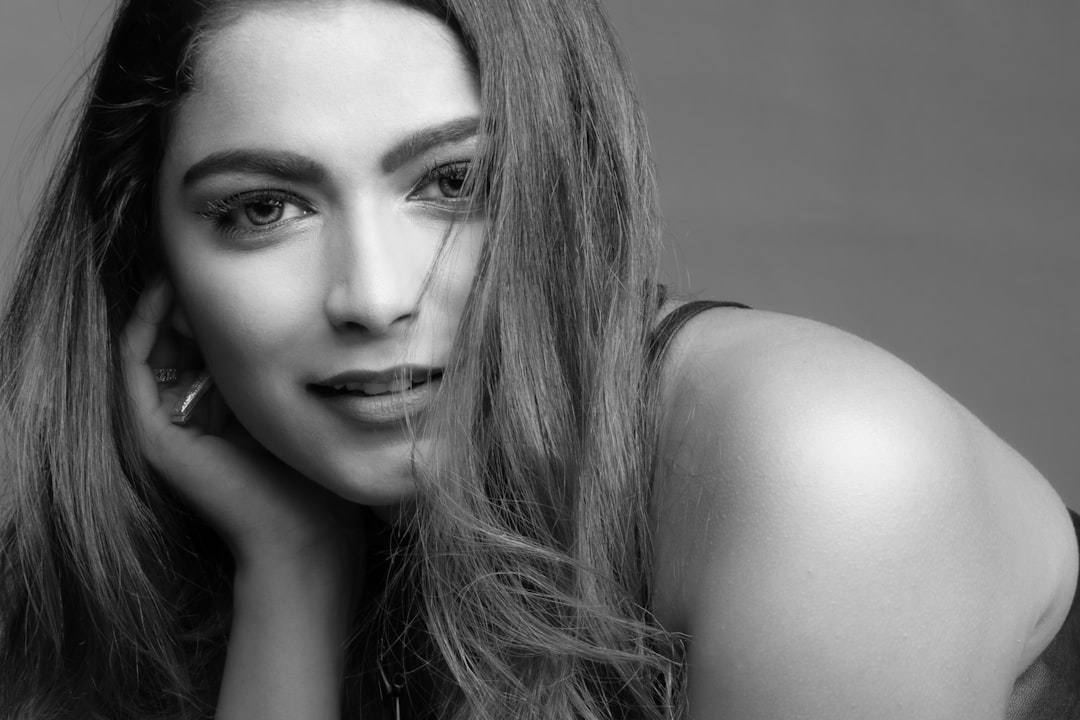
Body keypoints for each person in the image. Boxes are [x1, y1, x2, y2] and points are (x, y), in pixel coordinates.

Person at [1, 0, 1077, 718]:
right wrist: (291, 570)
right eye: (264, 208)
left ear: (570, 190)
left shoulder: (825, 465)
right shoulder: (219, 532)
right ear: (155, 261)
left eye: (452, 186)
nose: (374, 295)